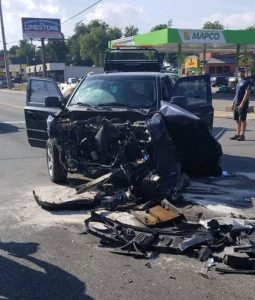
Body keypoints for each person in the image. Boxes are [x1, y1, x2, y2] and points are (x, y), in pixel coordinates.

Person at [230, 67, 251, 141]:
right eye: (239, 72)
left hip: (243, 104)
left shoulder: (247, 81)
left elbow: (247, 93)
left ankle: (242, 135)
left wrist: (242, 103)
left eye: (242, 72)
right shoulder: (239, 81)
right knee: (236, 120)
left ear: (244, 72)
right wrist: (233, 102)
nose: (241, 73)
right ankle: (237, 134)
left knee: (242, 120)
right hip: (236, 103)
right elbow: (236, 94)